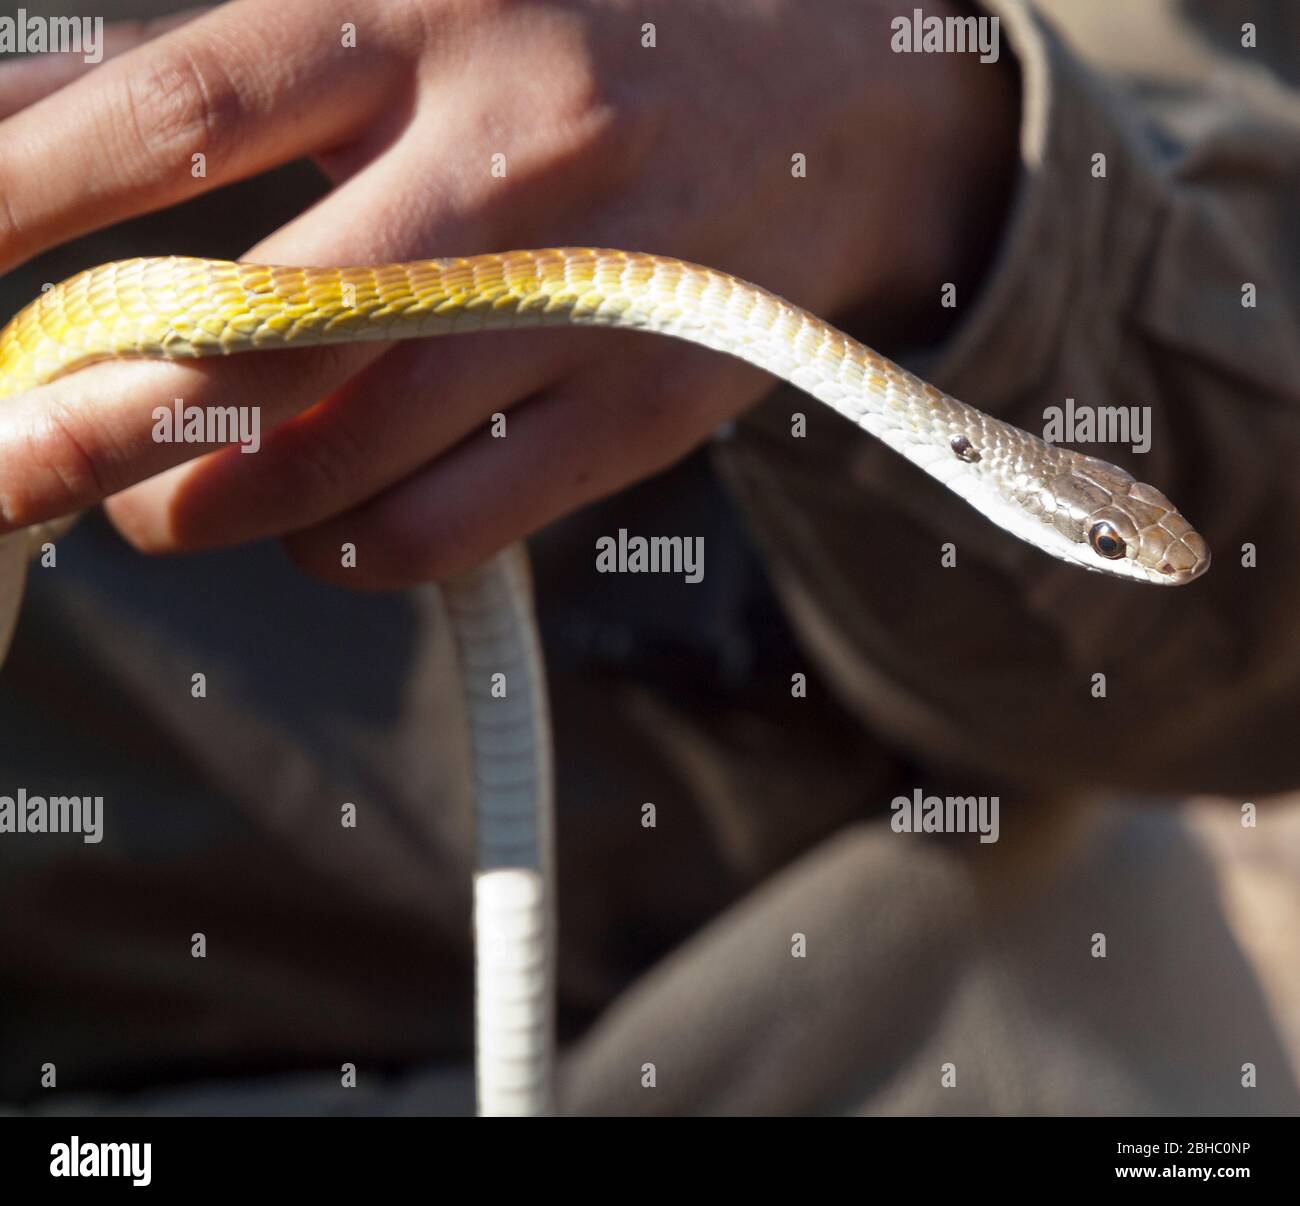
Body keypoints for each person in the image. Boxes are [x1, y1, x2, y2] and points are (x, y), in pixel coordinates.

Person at [0, 0, 1296, 1114]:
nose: (1129, 550)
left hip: (855, 1026)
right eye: (1110, 539)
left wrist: (930, 170)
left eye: (1109, 534)